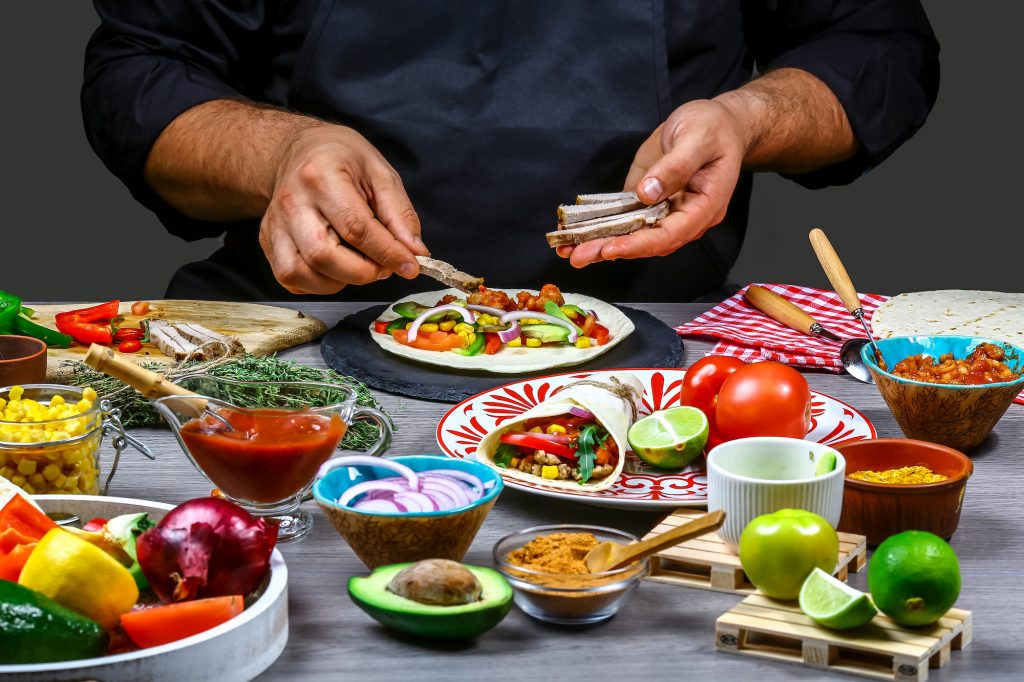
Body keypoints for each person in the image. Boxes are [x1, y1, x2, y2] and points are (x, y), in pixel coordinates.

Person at [82, 1, 939, 302]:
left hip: (648, 350)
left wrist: (749, 115)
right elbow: (139, 72)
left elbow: (880, 46)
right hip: (303, 337)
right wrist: (280, 154)